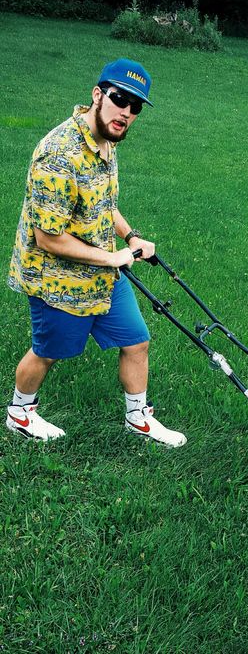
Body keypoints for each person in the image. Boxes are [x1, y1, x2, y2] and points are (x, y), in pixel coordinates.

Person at [6, 57, 186, 447]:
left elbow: (102, 202)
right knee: (48, 352)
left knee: (136, 340)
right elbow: (47, 238)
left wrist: (131, 236)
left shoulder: (105, 140)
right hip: (56, 278)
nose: (126, 112)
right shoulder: (58, 153)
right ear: (97, 95)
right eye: (119, 98)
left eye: (135, 106)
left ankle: (138, 418)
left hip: (101, 271)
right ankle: (20, 414)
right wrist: (114, 258)